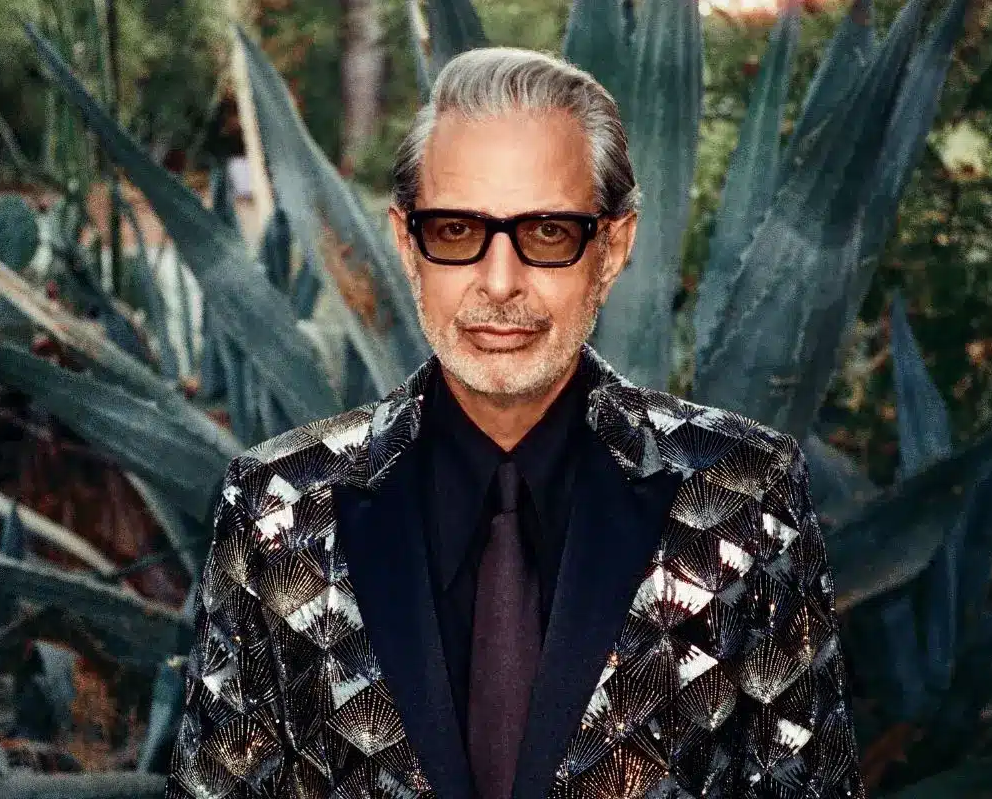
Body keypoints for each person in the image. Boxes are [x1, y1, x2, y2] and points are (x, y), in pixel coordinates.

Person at [164, 46, 865, 799]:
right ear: (407, 244)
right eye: (457, 232)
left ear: (613, 248)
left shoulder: (746, 494)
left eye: (549, 233)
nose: (500, 284)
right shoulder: (277, 507)